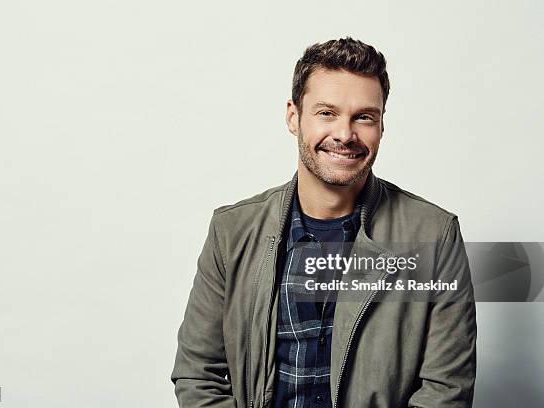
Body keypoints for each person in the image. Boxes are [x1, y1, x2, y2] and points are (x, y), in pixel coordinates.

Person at [171, 37, 477, 408]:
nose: (345, 135)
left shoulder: (434, 236)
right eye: (327, 113)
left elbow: (446, 390)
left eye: (364, 116)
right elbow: (198, 375)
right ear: (293, 116)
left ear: (381, 125)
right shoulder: (232, 231)